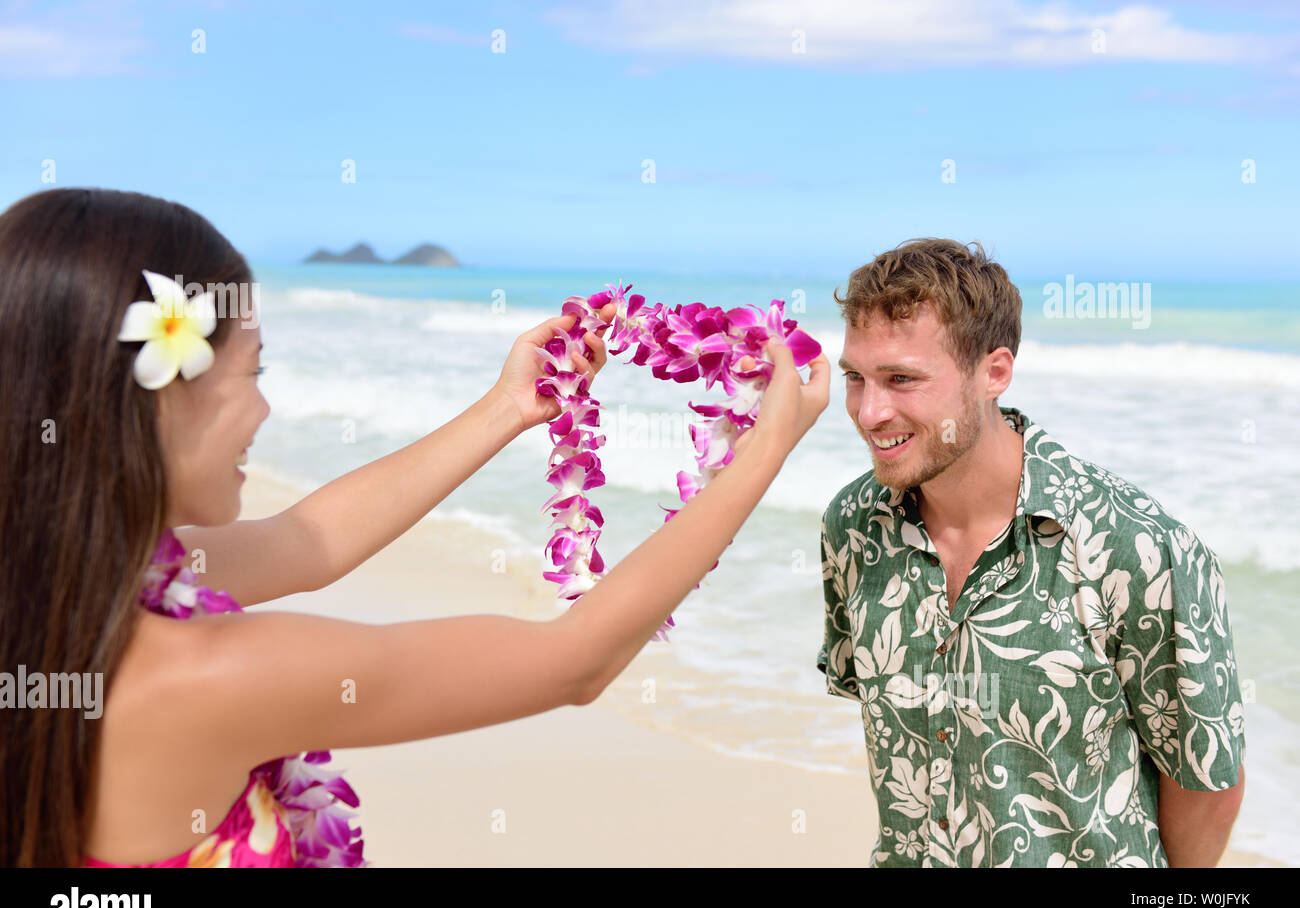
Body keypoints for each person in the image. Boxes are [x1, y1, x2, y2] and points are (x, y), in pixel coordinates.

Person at [0, 187, 830, 867]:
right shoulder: (204, 678)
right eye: (254, 372)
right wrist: (759, 456)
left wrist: (510, 407)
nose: (264, 408)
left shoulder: (71, 590)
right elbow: (573, 663)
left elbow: (307, 541)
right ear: (160, 395)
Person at [817, 238, 1246, 868]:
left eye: (902, 379)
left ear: (994, 373)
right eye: (856, 378)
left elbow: (1208, 786)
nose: (870, 412)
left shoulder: (1135, 544)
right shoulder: (853, 526)